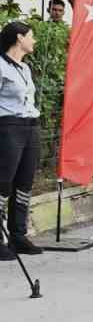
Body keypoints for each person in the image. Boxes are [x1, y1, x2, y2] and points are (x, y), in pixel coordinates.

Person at [0, 21, 43, 259]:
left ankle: (18, 235)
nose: (33, 40)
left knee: (25, 182)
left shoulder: (24, 68)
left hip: (30, 126)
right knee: (3, 182)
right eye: (31, 36)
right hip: (8, 127)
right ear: (19, 38)